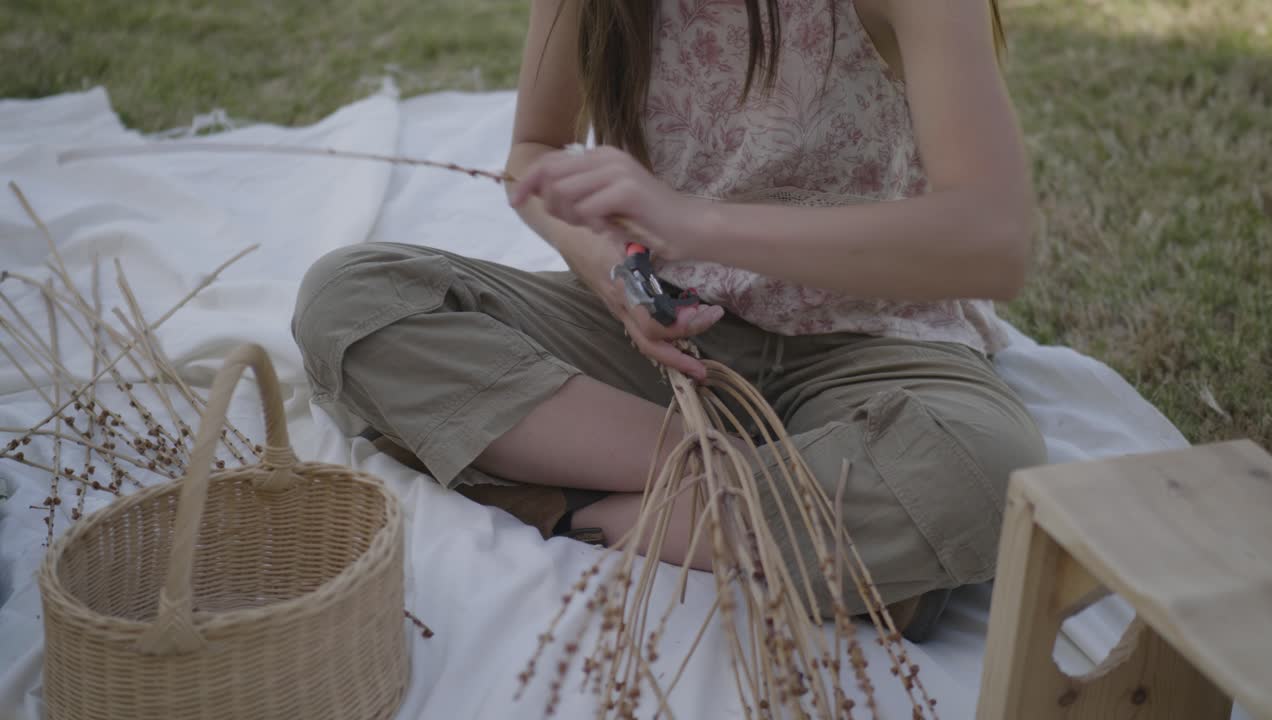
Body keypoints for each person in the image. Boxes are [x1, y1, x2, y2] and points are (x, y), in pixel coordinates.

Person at [292, 0, 1047, 641]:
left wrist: (693, 223)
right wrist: (614, 270)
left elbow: (991, 244)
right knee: (353, 301)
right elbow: (535, 149)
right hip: (663, 342)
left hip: (876, 342)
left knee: (983, 467)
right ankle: (778, 523)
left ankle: (580, 515)